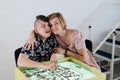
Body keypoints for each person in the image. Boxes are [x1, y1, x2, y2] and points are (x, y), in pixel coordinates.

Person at [25, 12, 101, 71]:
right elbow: (40, 29)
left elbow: (84, 59)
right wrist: (31, 35)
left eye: (56, 23)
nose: (53, 27)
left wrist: (65, 52)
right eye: (51, 25)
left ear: (62, 23)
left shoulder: (76, 35)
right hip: (72, 64)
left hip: (87, 64)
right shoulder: (54, 35)